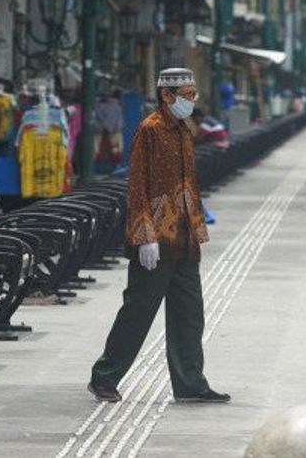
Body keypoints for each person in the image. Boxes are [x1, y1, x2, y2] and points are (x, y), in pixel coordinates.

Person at [88, 68, 230, 404]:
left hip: (183, 238)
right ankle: (104, 377)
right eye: (188, 95)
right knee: (138, 312)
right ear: (168, 96)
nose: (192, 102)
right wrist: (144, 235)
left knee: (190, 314)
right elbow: (137, 186)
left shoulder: (182, 129)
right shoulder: (149, 131)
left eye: (194, 95)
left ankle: (190, 383)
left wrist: (196, 227)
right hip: (155, 238)